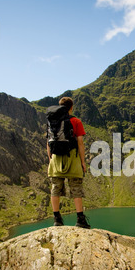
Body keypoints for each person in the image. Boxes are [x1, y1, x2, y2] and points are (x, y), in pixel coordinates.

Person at [47, 96, 90, 228]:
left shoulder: (52, 121)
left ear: (60, 106)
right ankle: (80, 219)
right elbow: (80, 143)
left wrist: (50, 159)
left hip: (56, 158)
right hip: (72, 157)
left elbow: (48, 143)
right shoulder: (76, 121)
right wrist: (83, 162)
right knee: (76, 187)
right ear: (71, 107)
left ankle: (57, 219)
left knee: (55, 188)